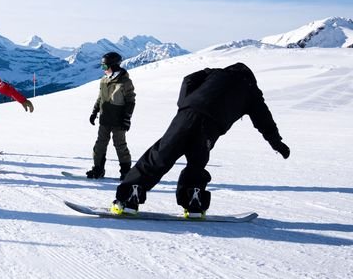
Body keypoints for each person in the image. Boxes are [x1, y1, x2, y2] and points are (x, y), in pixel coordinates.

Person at [111, 62, 291, 218]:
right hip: (210, 128)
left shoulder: (215, 73)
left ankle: (129, 197)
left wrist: (184, 104)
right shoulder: (252, 91)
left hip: (187, 116)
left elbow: (188, 79)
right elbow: (264, 121)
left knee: (161, 155)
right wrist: (277, 144)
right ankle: (194, 202)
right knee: (197, 164)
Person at [86, 52, 135, 179]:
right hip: (104, 118)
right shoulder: (104, 80)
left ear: (113, 65)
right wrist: (94, 112)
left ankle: (125, 172)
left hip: (118, 120)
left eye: (104, 66)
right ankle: (98, 169)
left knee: (120, 145)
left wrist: (126, 118)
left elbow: (131, 101)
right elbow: (100, 98)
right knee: (99, 145)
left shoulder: (125, 81)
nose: (102, 69)